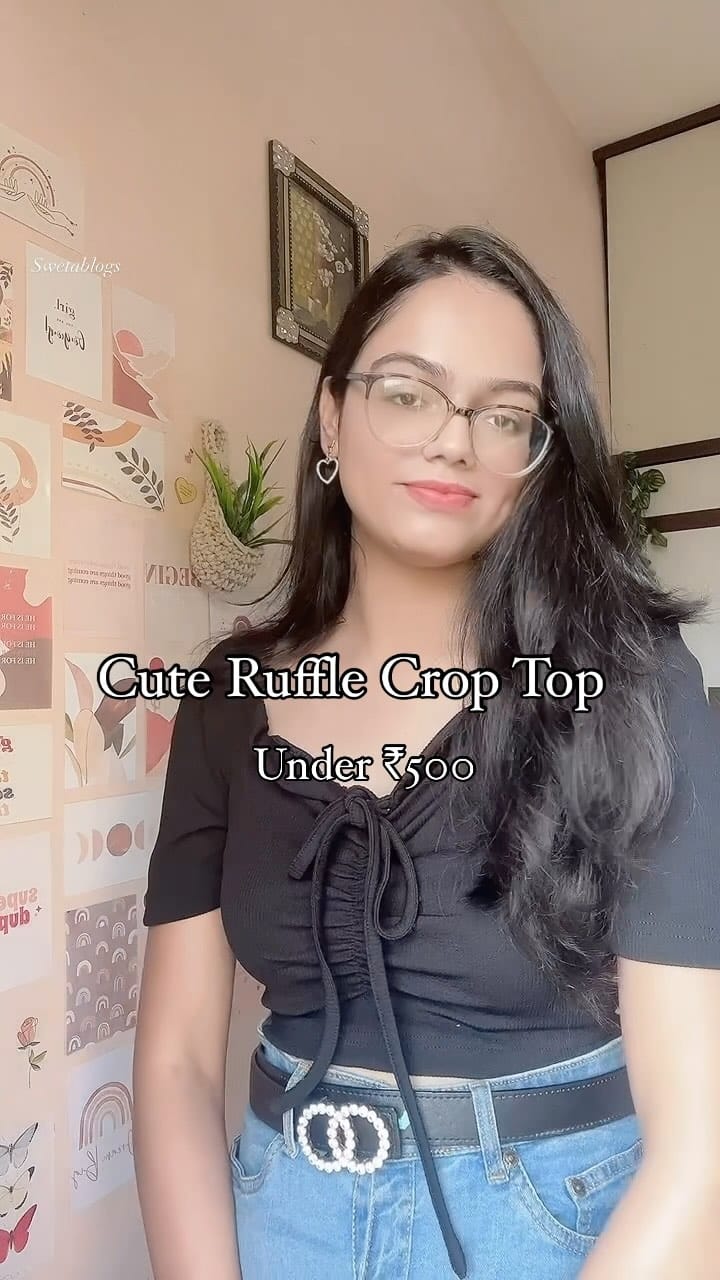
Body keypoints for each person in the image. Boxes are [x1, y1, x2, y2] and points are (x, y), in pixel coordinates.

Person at [132, 227, 720, 1280]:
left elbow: (703, 1142)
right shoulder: (227, 698)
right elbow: (176, 1062)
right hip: (284, 1213)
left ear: (538, 457)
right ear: (331, 415)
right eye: (408, 392)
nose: (454, 441)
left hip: (559, 1227)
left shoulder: (633, 684)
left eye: (504, 415)